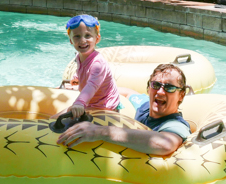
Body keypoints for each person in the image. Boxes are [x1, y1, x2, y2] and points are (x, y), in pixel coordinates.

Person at [57, 63, 190, 156]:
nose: (160, 92)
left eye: (169, 88)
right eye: (156, 85)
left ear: (181, 95)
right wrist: (83, 90)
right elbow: (127, 93)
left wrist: (99, 132)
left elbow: (165, 144)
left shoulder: (176, 125)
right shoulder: (145, 106)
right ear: (149, 88)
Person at [64, 14, 121, 118]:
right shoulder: (79, 56)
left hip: (106, 107)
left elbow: (92, 85)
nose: (82, 40)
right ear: (71, 40)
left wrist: (79, 103)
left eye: (87, 35)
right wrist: (76, 77)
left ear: (97, 38)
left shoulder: (98, 64)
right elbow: (81, 69)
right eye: (77, 36)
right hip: (92, 103)